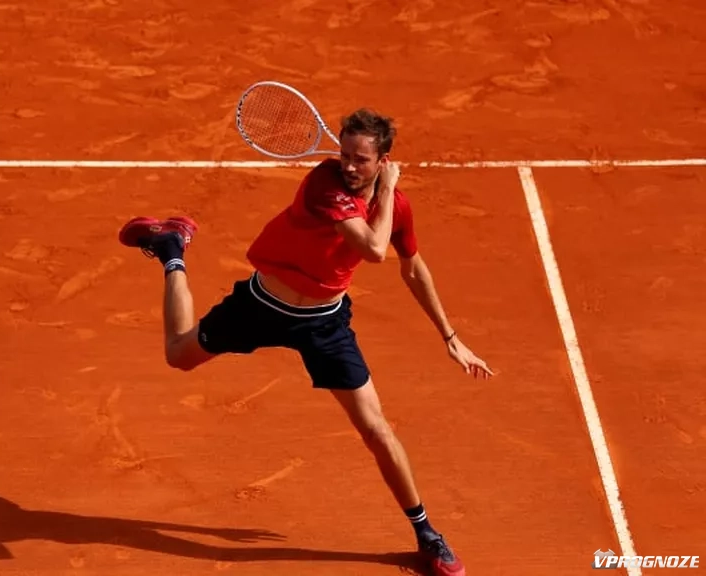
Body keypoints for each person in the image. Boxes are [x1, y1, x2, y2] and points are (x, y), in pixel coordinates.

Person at [117, 108, 493, 576]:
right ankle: (172, 249)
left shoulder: (396, 207)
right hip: (262, 306)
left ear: (383, 160)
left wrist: (450, 336)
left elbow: (412, 268)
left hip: (323, 323)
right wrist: (388, 190)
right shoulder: (324, 184)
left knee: (376, 428)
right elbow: (374, 250)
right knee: (179, 355)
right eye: (345, 154)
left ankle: (426, 533)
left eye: (360, 159)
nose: (348, 165)